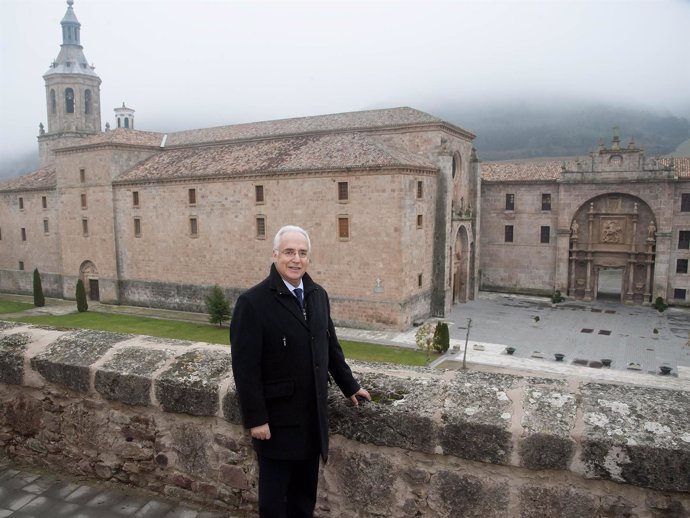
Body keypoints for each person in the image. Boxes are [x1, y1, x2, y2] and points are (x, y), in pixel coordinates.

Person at [230, 225, 371, 518]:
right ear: (275, 255)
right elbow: (245, 368)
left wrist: (350, 386)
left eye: (302, 253)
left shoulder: (318, 295)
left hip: (311, 419)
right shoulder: (252, 303)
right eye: (289, 252)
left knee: (304, 500)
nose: (296, 259)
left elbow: (330, 347)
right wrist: (256, 419)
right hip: (277, 424)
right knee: (274, 503)